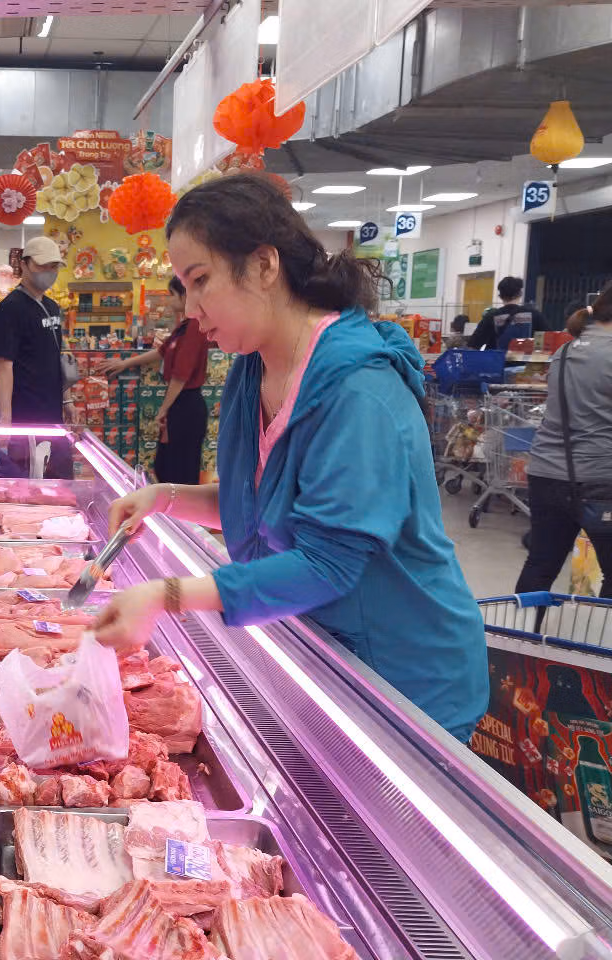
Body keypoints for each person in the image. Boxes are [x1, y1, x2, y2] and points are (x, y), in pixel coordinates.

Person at [93, 173, 488, 743]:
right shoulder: (251, 368)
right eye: (183, 286)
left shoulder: (358, 390)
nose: (192, 308)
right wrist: (163, 498)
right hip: (324, 651)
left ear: (263, 265)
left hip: (404, 677)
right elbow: (256, 505)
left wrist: (168, 595)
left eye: (201, 280)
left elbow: (328, 563)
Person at [515, 288, 612, 598]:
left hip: (546, 473)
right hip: (600, 478)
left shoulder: (564, 351)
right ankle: (599, 631)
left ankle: (520, 628)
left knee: (540, 564)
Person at [97, 276, 209, 484]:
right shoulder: (183, 327)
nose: (169, 300)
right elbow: (161, 351)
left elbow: (180, 375)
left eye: (171, 295)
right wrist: (125, 363)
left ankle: (179, 507)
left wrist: (163, 409)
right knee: (165, 466)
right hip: (178, 404)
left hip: (187, 406)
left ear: (185, 295)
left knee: (179, 471)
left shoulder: (195, 326)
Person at [0, 236, 74, 476]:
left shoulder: (52, 307)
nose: (48, 272)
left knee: (60, 482)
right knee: (27, 484)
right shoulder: (9, 309)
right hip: (24, 416)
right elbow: (4, 365)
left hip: (52, 414)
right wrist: (5, 418)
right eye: (42, 266)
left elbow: (56, 357)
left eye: (53, 266)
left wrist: (67, 400)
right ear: (24, 264)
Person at [468, 276, 543, 351]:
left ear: (500, 296)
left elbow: (473, 346)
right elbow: (546, 343)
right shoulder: (535, 315)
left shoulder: (490, 317)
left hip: (496, 358)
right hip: (526, 358)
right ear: (520, 294)